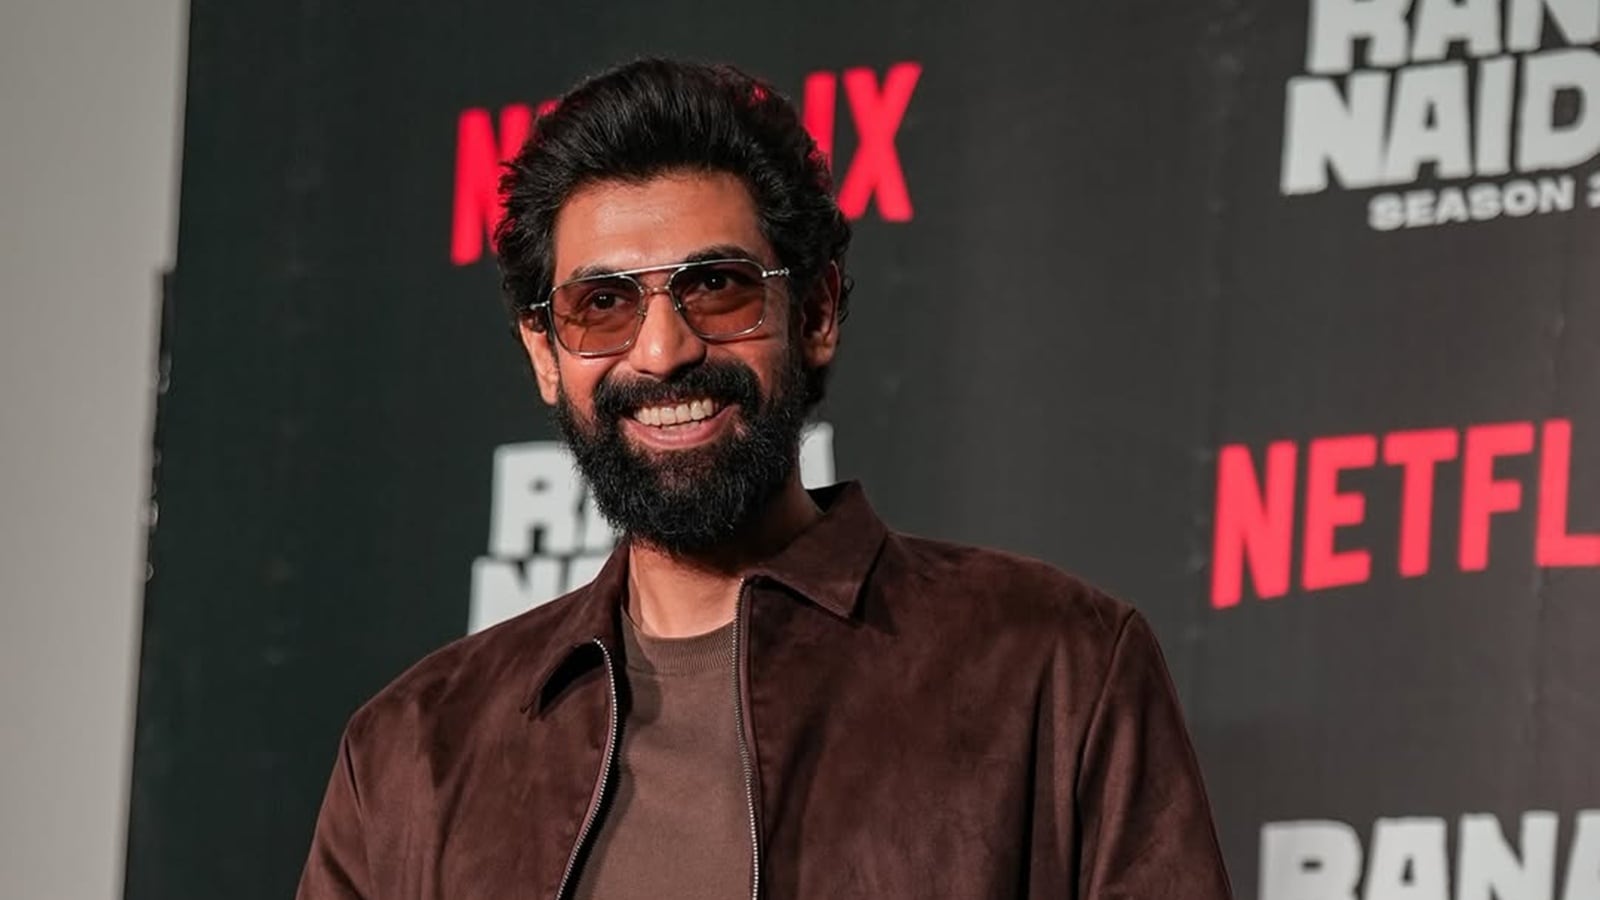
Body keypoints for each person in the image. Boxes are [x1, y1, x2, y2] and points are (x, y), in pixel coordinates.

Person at [297, 58, 1232, 900]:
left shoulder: (1054, 667)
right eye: (602, 305)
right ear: (546, 355)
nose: (662, 351)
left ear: (815, 313)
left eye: (717, 287)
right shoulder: (410, 755)